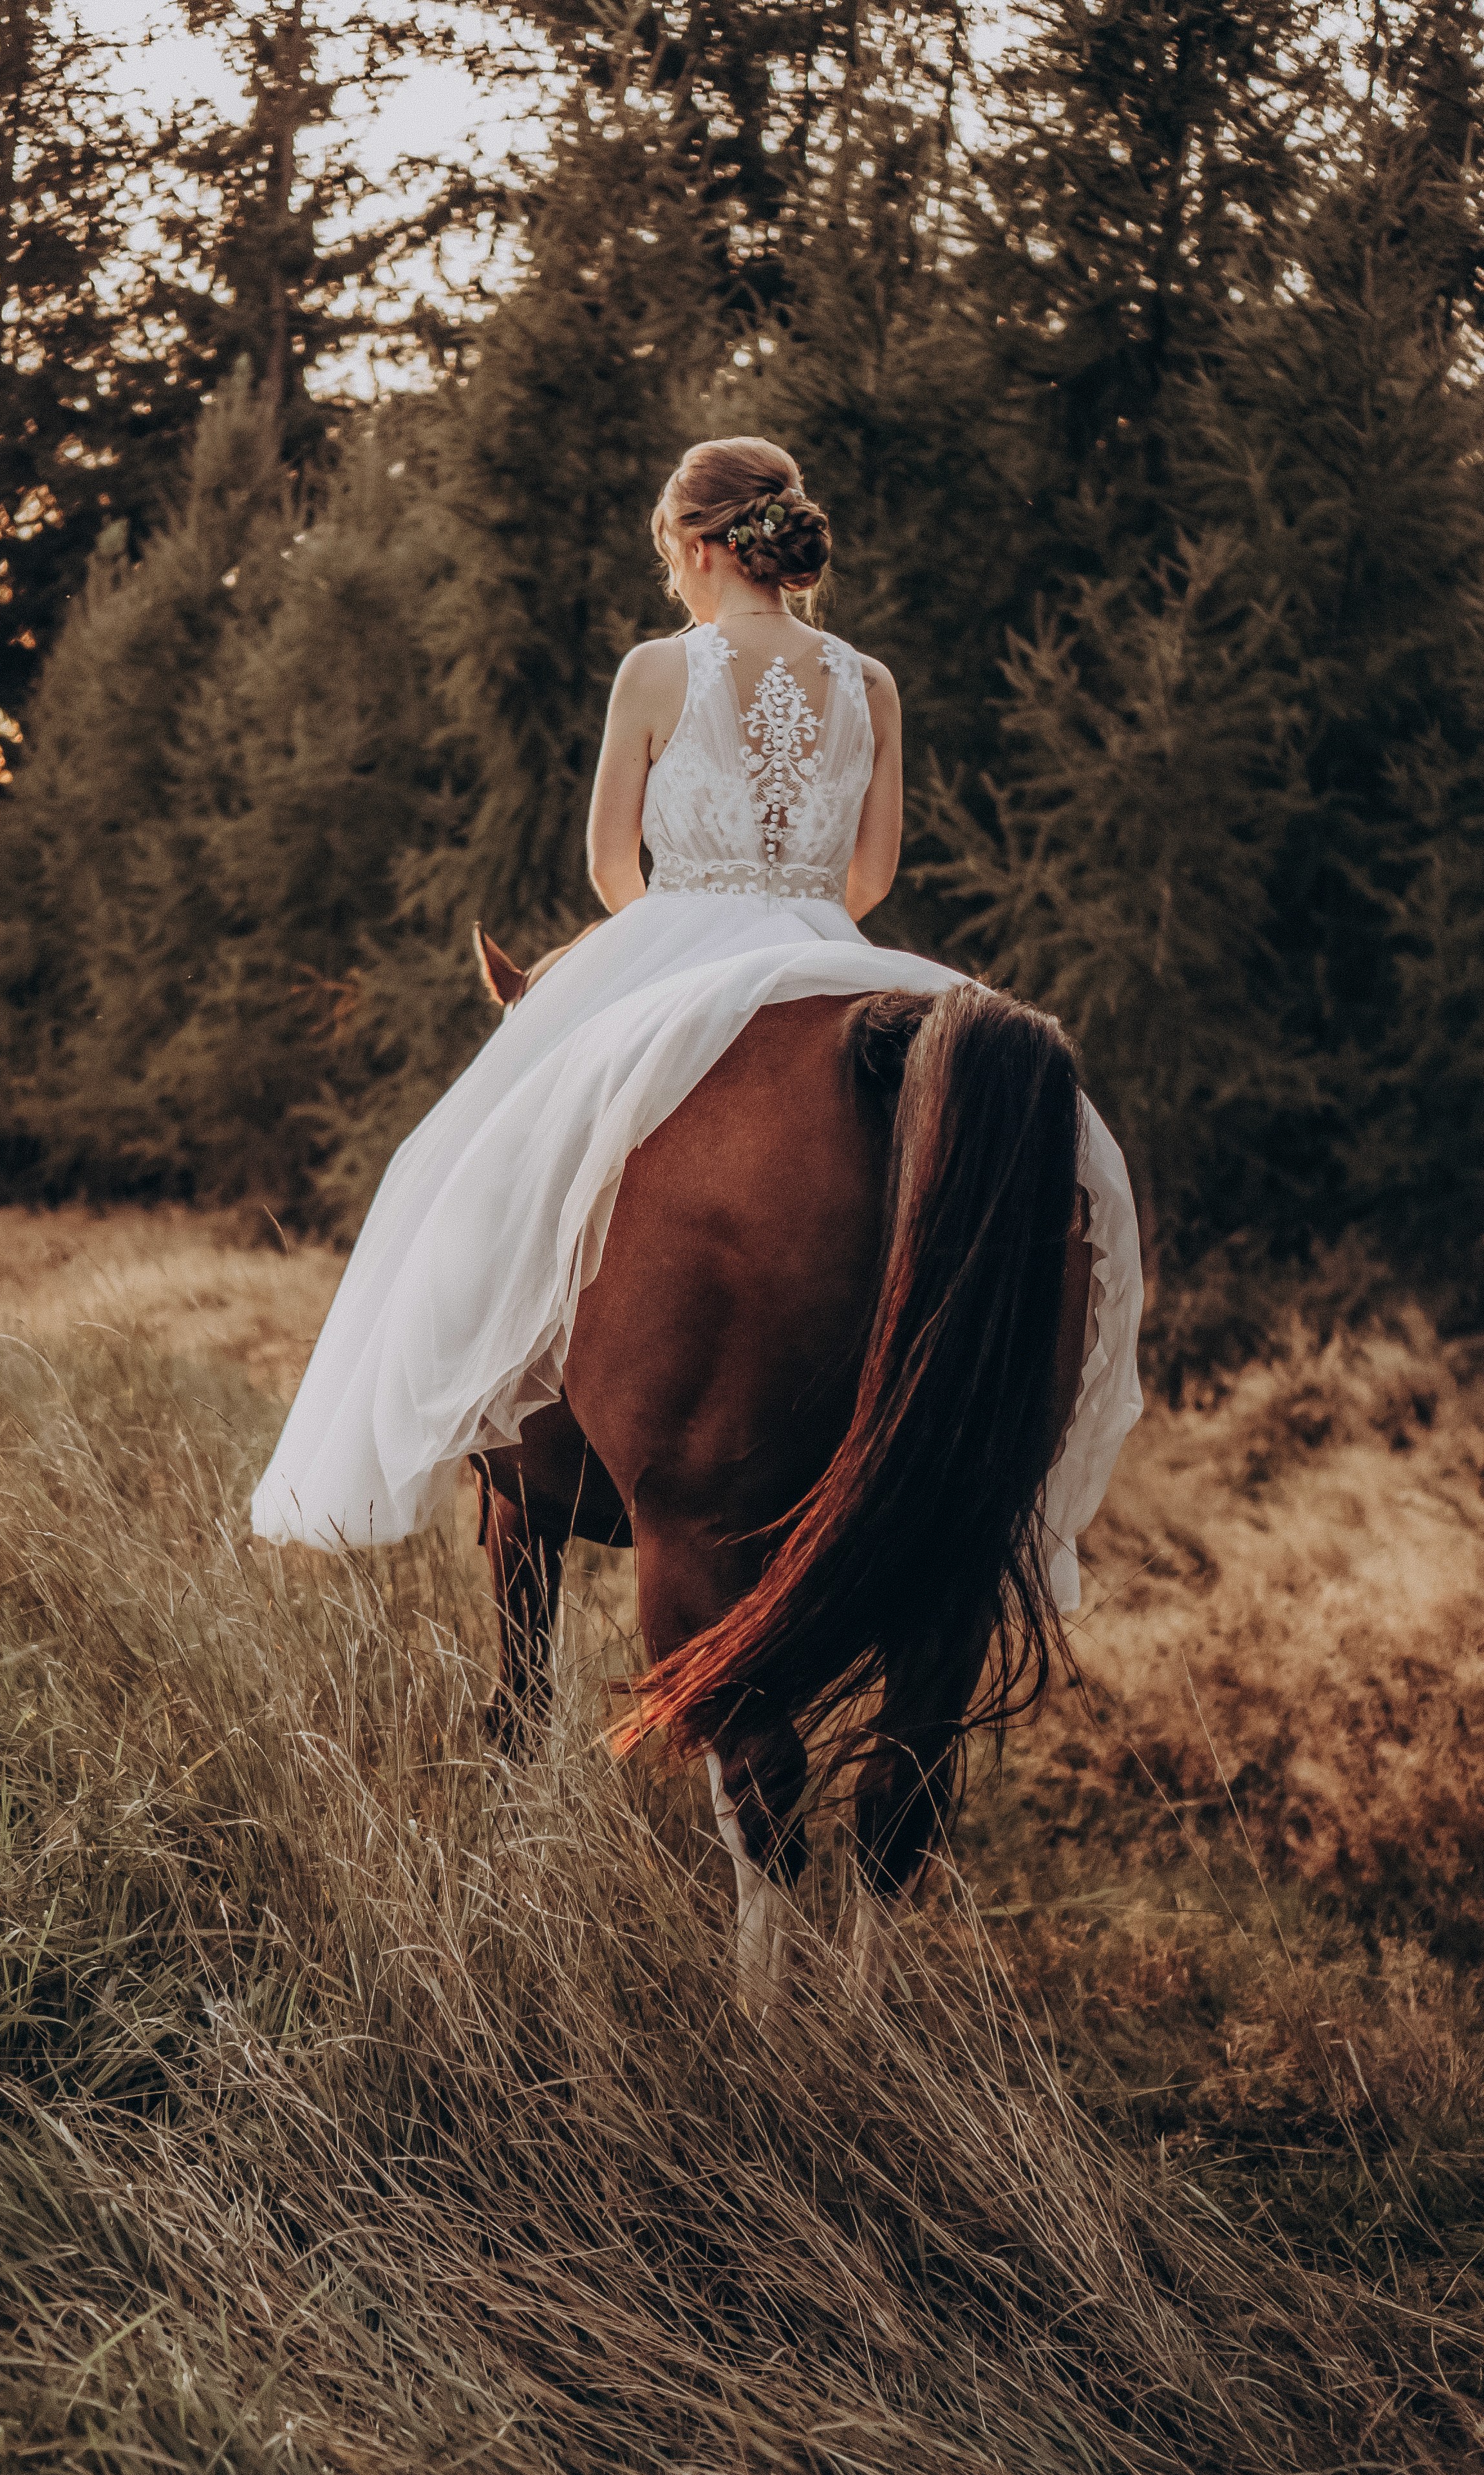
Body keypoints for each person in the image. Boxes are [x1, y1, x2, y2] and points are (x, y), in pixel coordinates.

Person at [251, 436, 1142, 1606]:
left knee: (480, 1166)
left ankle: (506, 1409)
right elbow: (867, 880)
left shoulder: (656, 672)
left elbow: (611, 863)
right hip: (832, 946)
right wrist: (792, 916)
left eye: (673, 549)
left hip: (673, 934)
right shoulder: (869, 684)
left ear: (700, 543)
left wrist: (674, 933)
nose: (673, 571)